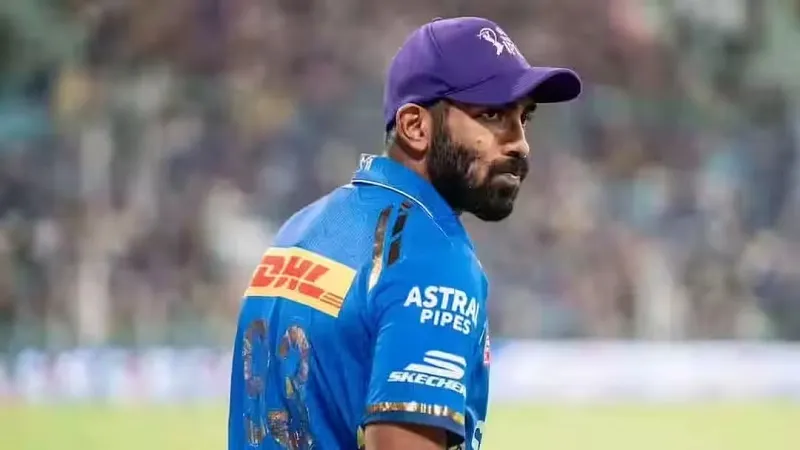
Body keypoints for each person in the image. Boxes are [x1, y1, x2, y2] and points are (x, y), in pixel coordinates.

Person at [227, 16, 581, 450]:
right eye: (492, 114)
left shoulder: (301, 230)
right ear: (415, 126)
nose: (520, 143)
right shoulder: (433, 261)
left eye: (523, 118)